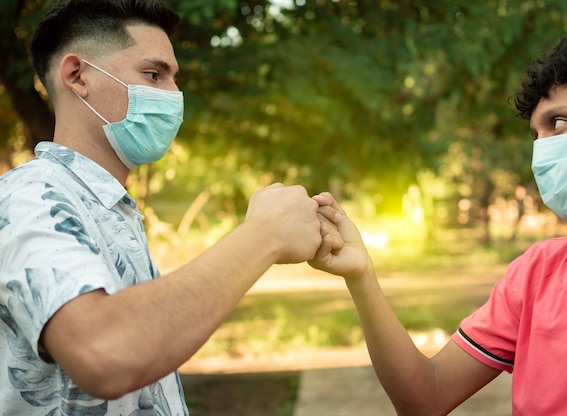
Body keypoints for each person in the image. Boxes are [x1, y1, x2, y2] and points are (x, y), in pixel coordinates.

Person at [0, 0, 339, 414]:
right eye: (153, 74)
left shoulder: (109, 208)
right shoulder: (32, 196)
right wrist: (265, 234)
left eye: (173, 79)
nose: (174, 95)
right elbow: (103, 354)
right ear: (77, 76)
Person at [309, 23, 567, 415]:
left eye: (558, 124)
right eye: (535, 135)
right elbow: (426, 397)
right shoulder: (536, 273)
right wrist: (361, 275)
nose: (542, 152)